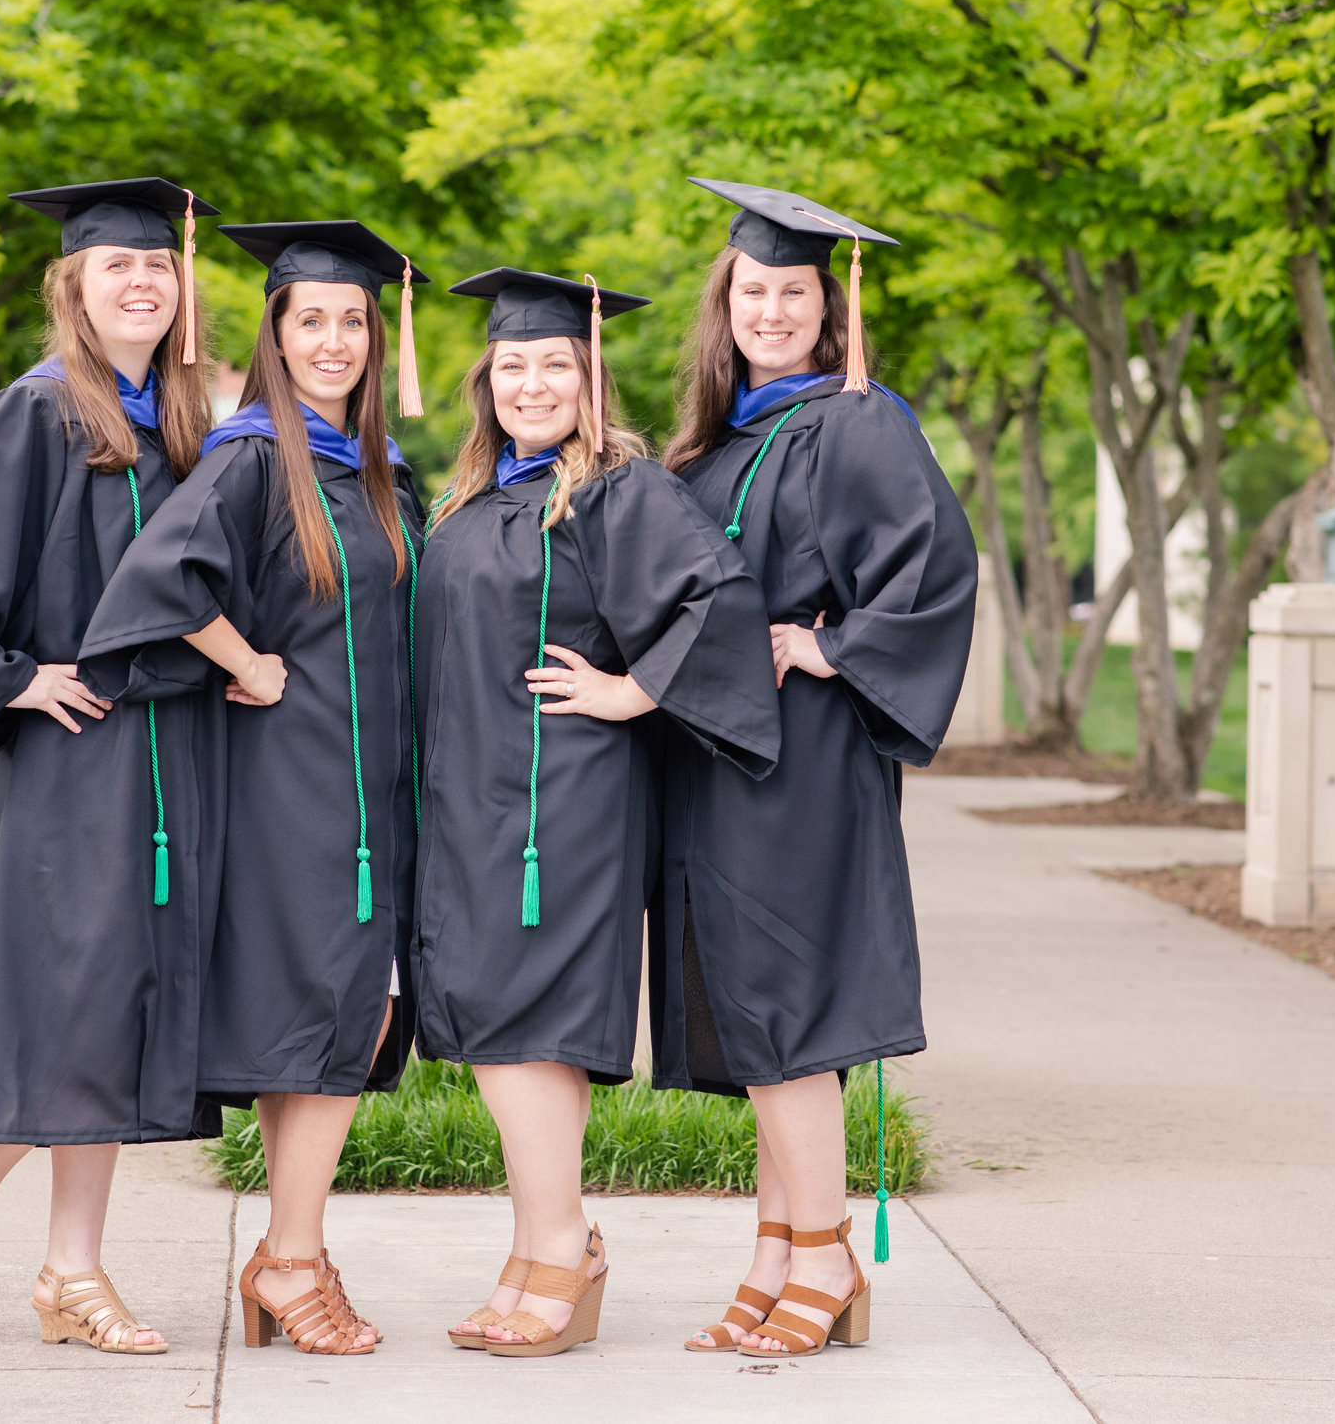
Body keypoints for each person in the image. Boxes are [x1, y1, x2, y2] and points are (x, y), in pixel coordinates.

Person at [0, 176, 220, 1355]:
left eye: (159, 267)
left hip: (171, 750)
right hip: (72, 754)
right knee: (66, 999)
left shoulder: (181, 423)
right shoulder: (33, 415)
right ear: (71, 286)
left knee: (120, 1007)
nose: (142, 281)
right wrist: (12, 675)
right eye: (116, 267)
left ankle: (72, 1270)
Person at [415, 268, 779, 1359]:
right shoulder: (474, 494)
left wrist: (634, 688)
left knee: (524, 1020)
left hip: (557, 802)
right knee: (502, 1023)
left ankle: (560, 1248)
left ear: (589, 377)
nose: (532, 382)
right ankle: (541, 1247)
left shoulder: (617, 486)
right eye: (514, 365)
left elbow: (717, 593)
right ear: (487, 380)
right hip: (470, 796)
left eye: (554, 364)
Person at [84, 219, 426, 1358]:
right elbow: (160, 582)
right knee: (333, 1009)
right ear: (275, 336)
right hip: (299, 793)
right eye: (310, 321)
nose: (334, 340)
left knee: (333, 1016)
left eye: (352, 322)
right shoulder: (248, 456)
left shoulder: (373, 468)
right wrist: (246, 660)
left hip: (369, 788)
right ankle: (287, 1259)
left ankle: (294, 1248)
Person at [654, 179, 978, 1358]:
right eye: (754, 290)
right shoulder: (727, 433)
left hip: (802, 761)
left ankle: (828, 1255)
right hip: (721, 762)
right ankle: (773, 1251)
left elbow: (936, 567)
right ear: (725, 303)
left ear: (828, 308)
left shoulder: (856, 420)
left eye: (794, 292)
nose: (773, 310)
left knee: (788, 1008)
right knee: (752, 1010)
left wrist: (833, 644)